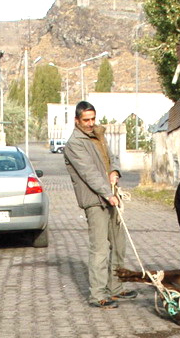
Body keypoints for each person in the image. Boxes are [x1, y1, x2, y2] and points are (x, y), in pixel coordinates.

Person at [64, 101, 138, 309]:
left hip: (111, 196)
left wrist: (115, 171)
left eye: (92, 119)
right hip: (95, 200)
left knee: (119, 244)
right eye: (86, 120)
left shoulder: (98, 135)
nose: (90, 123)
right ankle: (98, 295)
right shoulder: (74, 143)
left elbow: (111, 157)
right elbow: (89, 173)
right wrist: (107, 193)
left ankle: (116, 287)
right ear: (77, 120)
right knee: (100, 249)